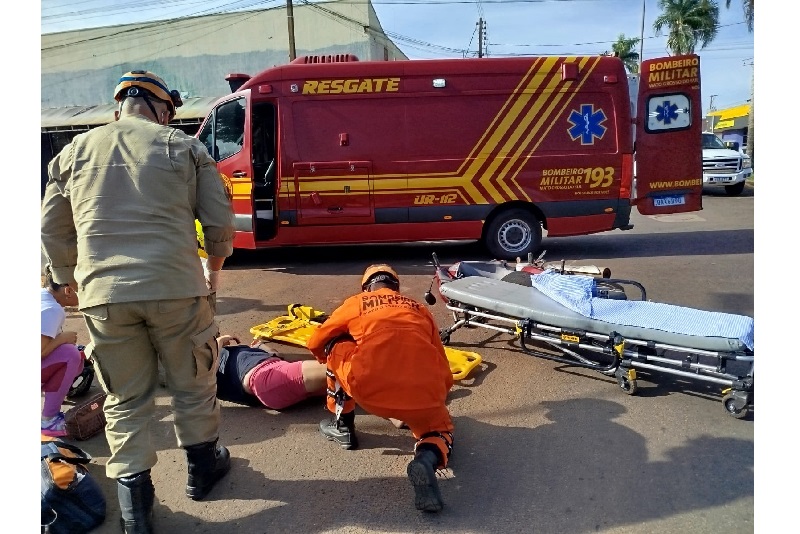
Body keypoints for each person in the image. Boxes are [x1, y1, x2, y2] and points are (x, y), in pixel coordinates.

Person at [41, 69, 236, 534]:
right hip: (176, 289)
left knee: (124, 397)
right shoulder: (184, 147)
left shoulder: (72, 153)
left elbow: (51, 227)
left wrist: (64, 277)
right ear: (161, 108)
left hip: (104, 297)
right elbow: (218, 221)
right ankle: (201, 472)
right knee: (193, 381)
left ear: (120, 106)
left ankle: (136, 515)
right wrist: (213, 272)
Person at [306, 264, 455, 513]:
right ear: (396, 287)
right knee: (438, 433)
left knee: (336, 345)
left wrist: (331, 361)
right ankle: (425, 460)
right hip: (425, 394)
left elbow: (316, 341)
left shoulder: (357, 302)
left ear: (366, 287)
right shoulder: (419, 308)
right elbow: (441, 361)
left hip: (369, 389)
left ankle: (343, 425)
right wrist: (437, 399)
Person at [214, 335, 326, 409]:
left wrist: (261, 347)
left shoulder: (222, 352)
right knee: (335, 369)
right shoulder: (204, 361)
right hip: (263, 378)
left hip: (275, 372)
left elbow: (276, 356)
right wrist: (218, 343)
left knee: (339, 382)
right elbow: (206, 379)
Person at [41, 265, 83, 437]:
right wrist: (62, 338)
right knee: (70, 355)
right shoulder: (52, 310)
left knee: (77, 356)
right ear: (68, 290)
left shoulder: (41, 296)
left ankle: (56, 393)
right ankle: (48, 421)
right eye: (82, 290)